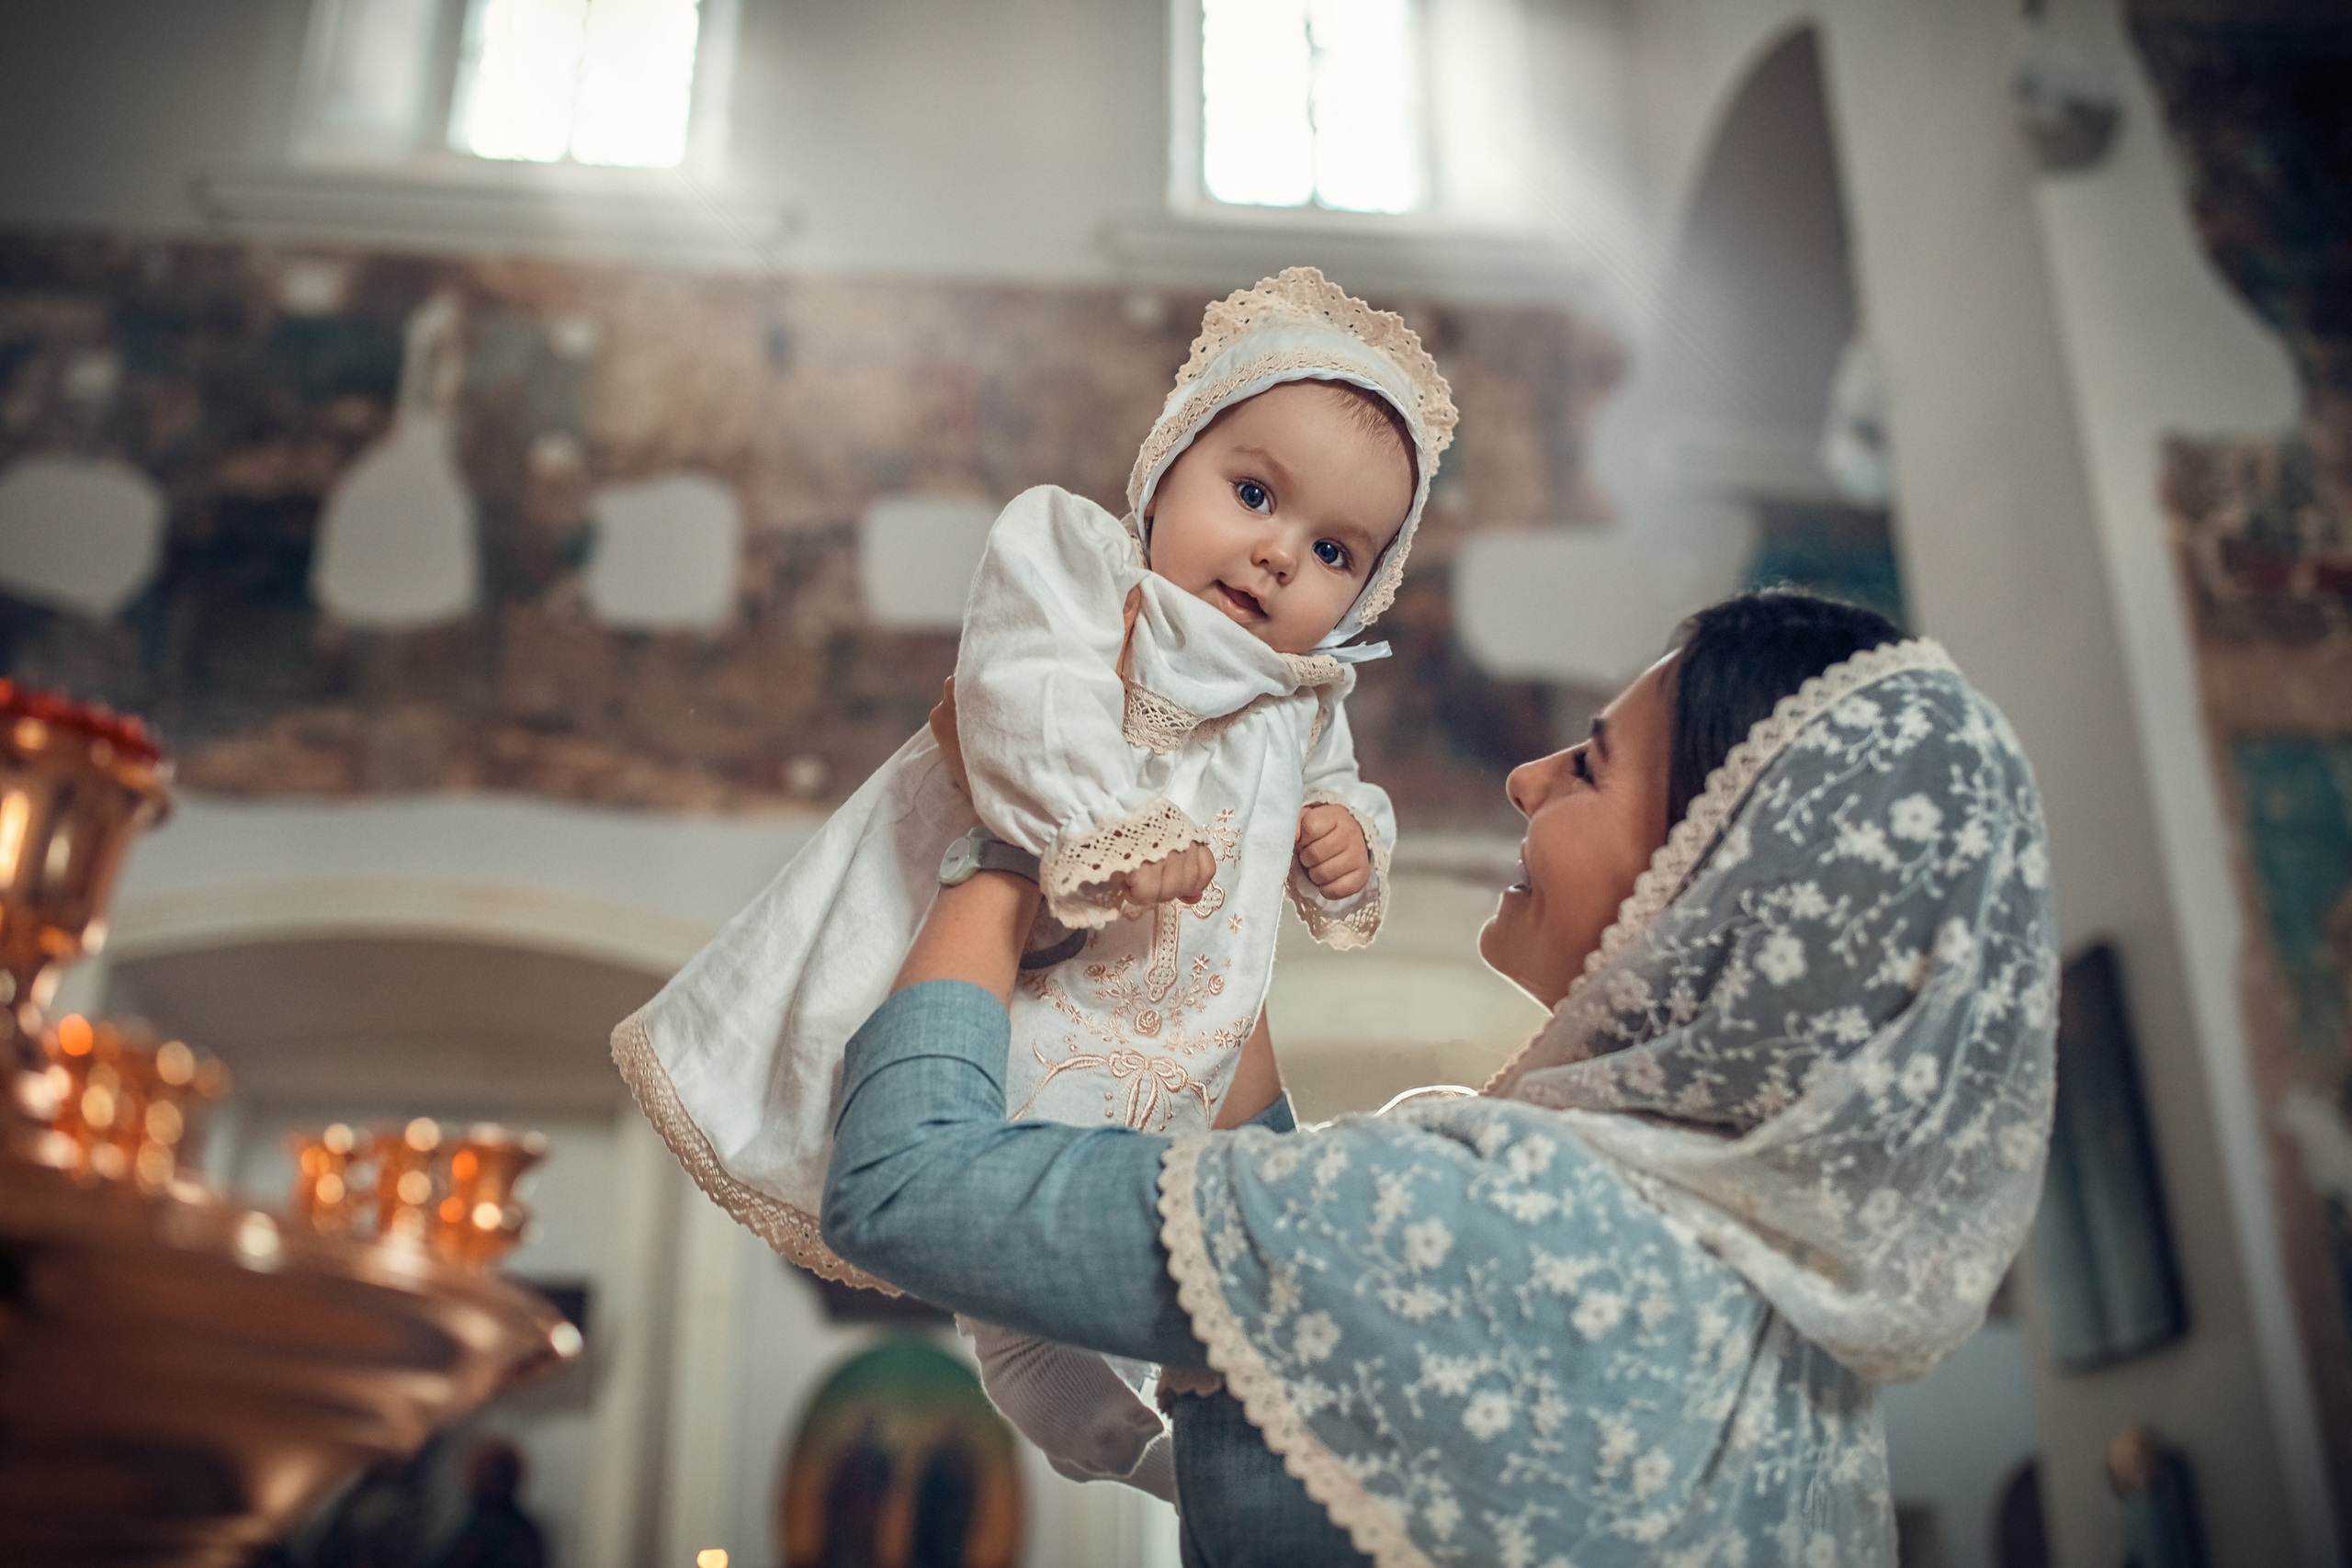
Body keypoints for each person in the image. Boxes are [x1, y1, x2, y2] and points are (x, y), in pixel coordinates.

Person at [820, 590, 2060, 1566]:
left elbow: (901, 1184)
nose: (1527, 778)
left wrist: (1013, 836)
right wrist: (1217, 924)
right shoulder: (1753, 1300)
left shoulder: (1508, 1218)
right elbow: (1296, 1269)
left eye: (1589, 768)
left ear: (1717, 889)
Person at [613, 268, 1458, 1497]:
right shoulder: (1081, 567)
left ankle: (1149, 1452)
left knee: (1071, 1241)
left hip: (1164, 1014)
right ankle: (1117, 1434)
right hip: (1016, 958)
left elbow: (1342, 792)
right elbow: (1022, 695)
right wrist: (1104, 827)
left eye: (1334, 551)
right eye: (1254, 494)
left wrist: (1343, 839)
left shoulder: (1302, 696)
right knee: (987, 1211)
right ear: (1166, 467)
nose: (1280, 555)